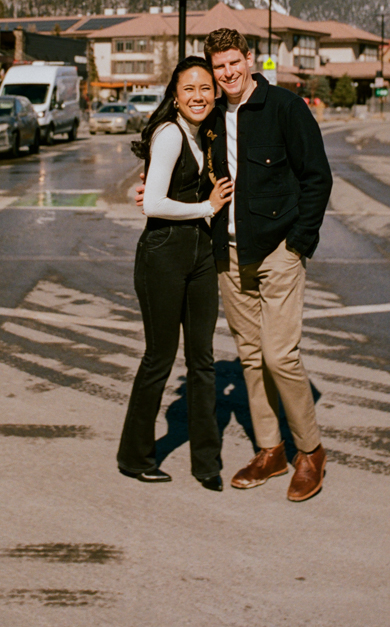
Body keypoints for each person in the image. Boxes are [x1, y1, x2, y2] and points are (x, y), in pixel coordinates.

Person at [204, 28, 333, 501]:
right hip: (230, 254)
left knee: (280, 355)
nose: (228, 73)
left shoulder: (285, 107)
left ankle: (310, 451)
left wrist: (298, 244)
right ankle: (270, 450)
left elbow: (317, 178)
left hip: (279, 250)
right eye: (219, 67)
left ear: (249, 58)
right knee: (251, 356)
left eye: (233, 62)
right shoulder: (211, 115)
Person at [118, 56, 233, 490]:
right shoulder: (169, 134)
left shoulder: (206, 132)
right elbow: (152, 204)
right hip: (163, 255)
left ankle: (207, 463)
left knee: (203, 360)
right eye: (189, 89)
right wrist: (207, 207)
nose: (198, 96)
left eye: (206, 88)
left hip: (199, 255)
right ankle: (134, 456)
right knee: (159, 358)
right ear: (176, 96)